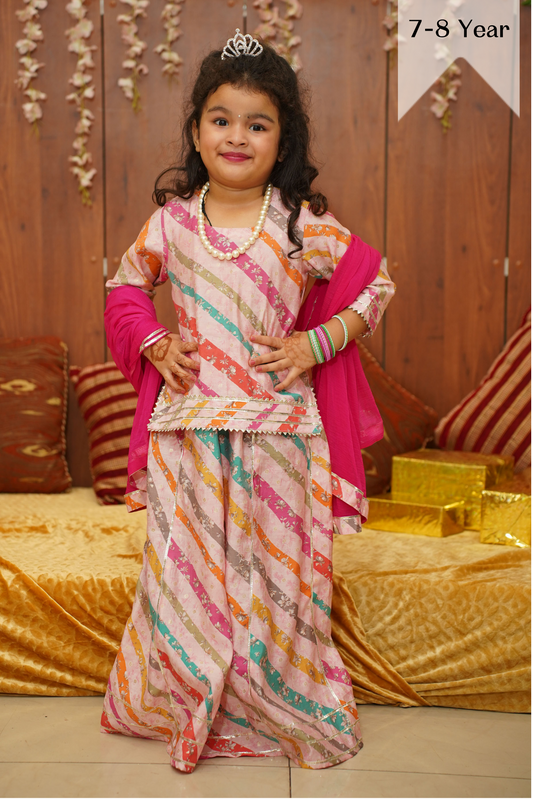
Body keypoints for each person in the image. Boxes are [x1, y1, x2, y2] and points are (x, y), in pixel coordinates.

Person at [101, 29, 395, 773]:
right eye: (221, 119)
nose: (237, 136)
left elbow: (376, 285)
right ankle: (185, 700)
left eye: (257, 124)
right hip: (190, 433)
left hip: (278, 434)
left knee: (279, 577)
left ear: (281, 139)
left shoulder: (299, 222)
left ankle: (277, 699)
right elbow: (125, 288)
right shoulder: (171, 223)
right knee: (187, 575)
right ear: (197, 130)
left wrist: (313, 345)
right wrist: (153, 341)